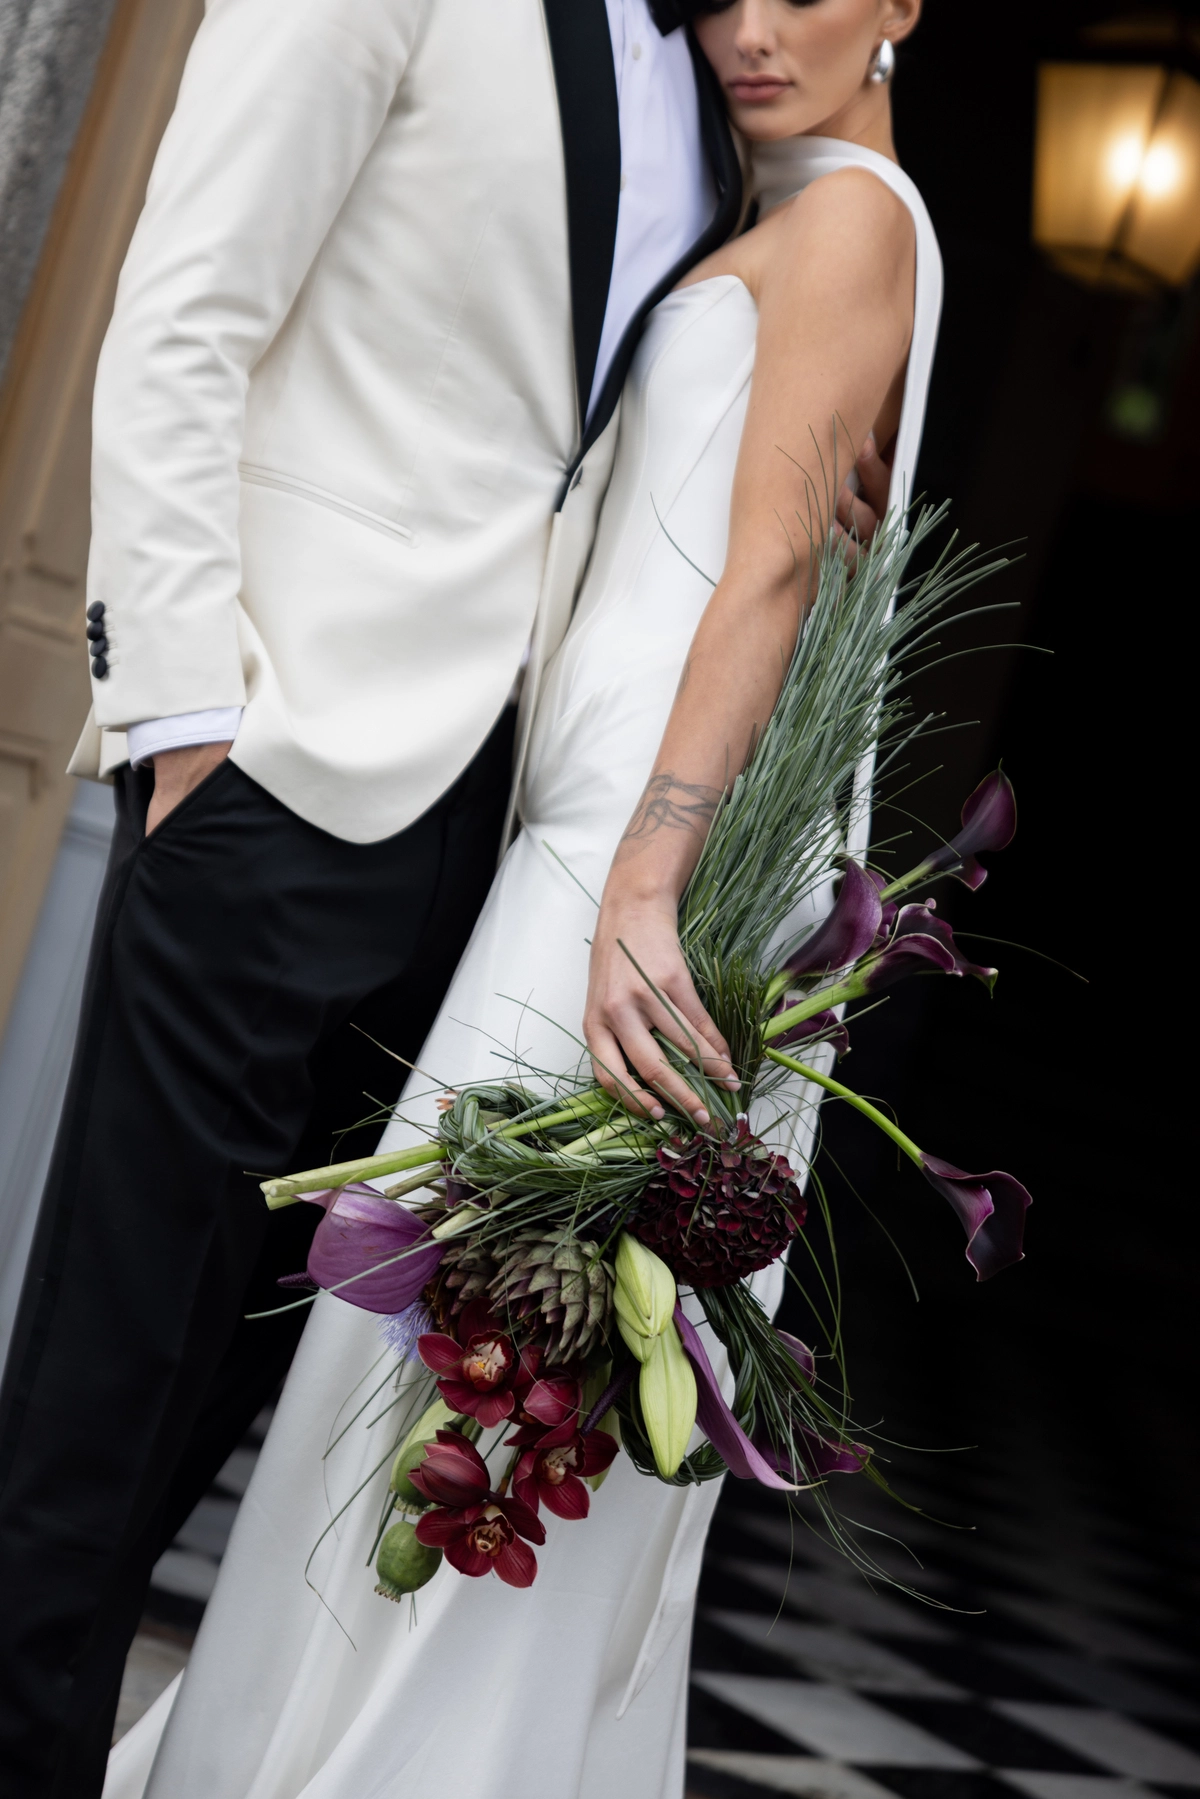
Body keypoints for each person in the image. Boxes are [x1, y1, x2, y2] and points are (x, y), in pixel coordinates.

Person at [0, 0, 892, 1789]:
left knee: (226, 1398)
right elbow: (184, 303)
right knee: (100, 1396)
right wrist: (185, 729)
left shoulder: (730, 117)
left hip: (484, 857)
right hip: (279, 776)